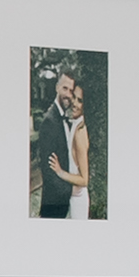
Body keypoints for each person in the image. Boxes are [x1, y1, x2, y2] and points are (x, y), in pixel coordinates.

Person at [37, 61, 94, 218]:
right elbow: (48, 174)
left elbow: (83, 177)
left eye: (71, 91)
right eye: (65, 89)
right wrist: (70, 190)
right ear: (56, 87)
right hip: (54, 204)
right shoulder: (50, 121)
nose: (69, 95)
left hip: (71, 200)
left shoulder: (74, 124)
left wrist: (62, 174)